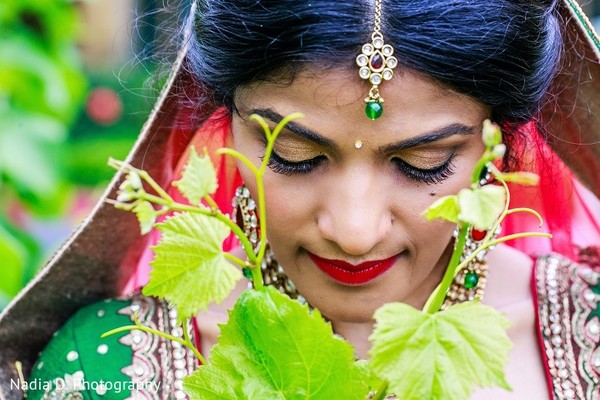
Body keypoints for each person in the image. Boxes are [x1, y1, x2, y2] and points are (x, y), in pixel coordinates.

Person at [1, 0, 599, 398]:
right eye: (294, 157)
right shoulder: (116, 365)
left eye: (423, 164)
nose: (354, 230)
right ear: (224, 123)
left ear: (499, 145)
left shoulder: (588, 335)